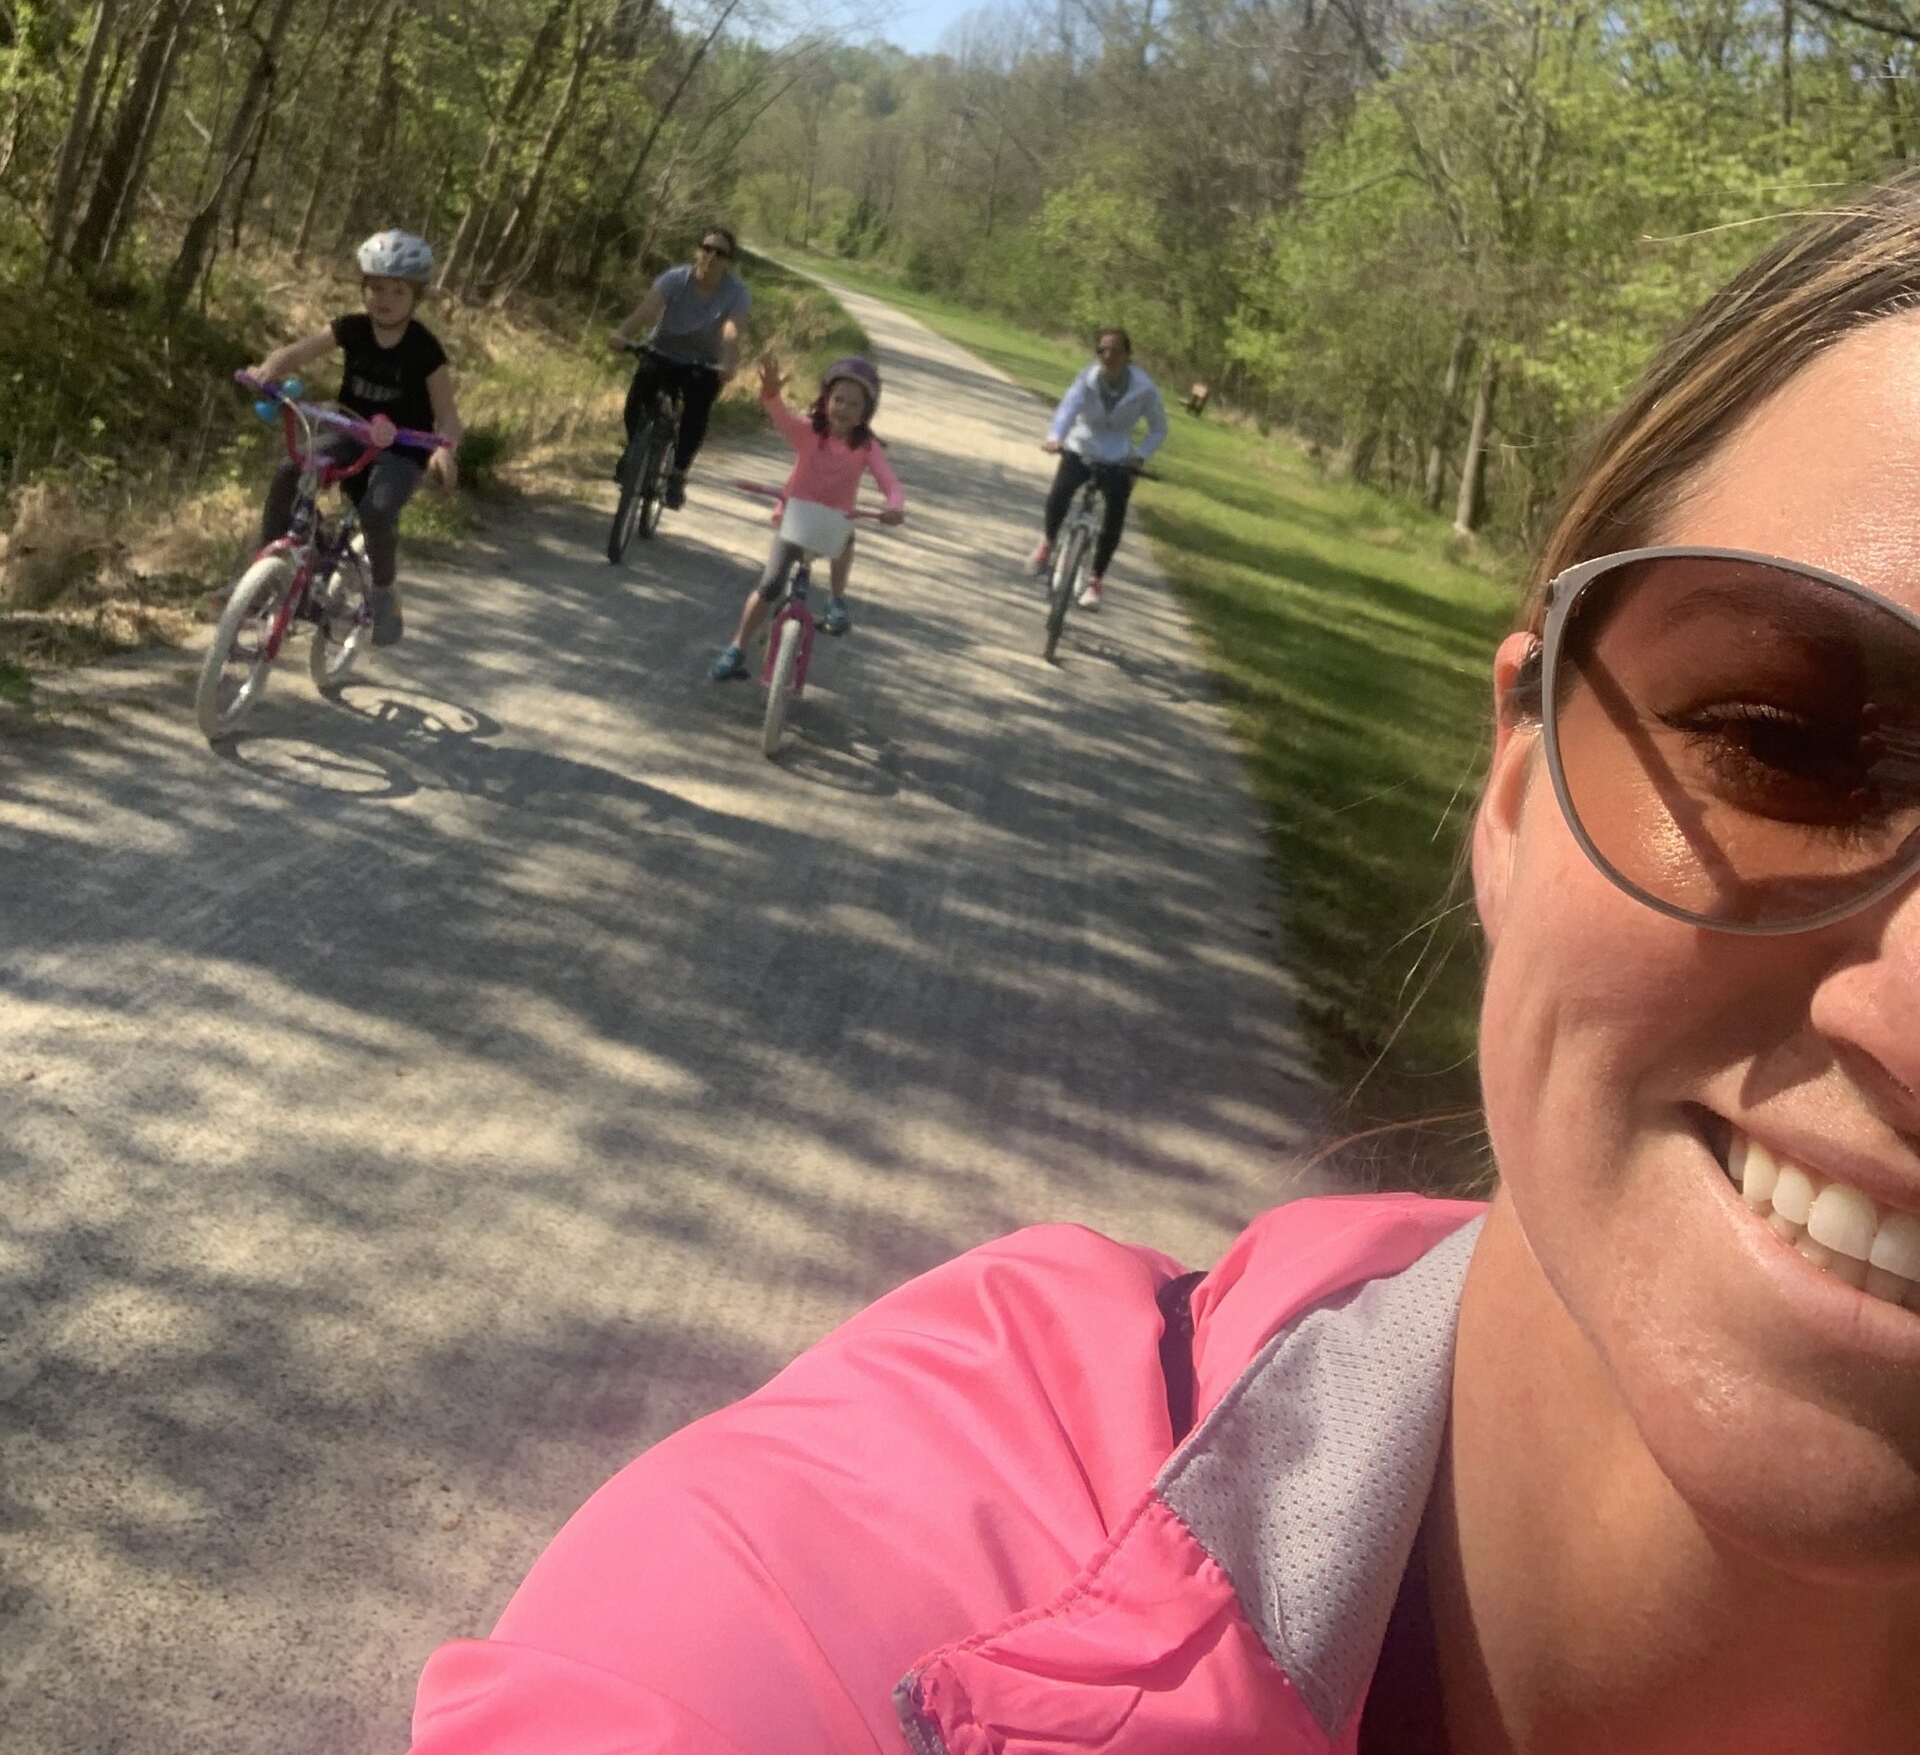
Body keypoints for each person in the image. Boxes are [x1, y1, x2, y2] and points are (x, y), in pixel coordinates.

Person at [410, 175, 1920, 1752]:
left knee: (1102, 507)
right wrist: (1066, 442)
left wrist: (1102, 462)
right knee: (1058, 486)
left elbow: (1130, 441)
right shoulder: (838, 1620)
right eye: (1788, 741)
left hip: (1048, 484)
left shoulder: (1139, 406)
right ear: (1519, 782)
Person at [243, 230, 460, 647]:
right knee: (291, 468)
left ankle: (383, 591)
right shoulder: (353, 329)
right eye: (376, 287)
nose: (384, 299)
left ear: (416, 297)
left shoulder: (425, 350)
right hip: (349, 430)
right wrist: (269, 369)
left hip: (403, 450)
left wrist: (444, 449)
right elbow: (297, 352)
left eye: (397, 291)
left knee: (377, 512)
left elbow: (448, 416)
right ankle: (266, 569)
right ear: (363, 288)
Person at [709, 351, 904, 679]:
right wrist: (771, 393)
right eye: (838, 400)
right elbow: (782, 418)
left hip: (831, 525)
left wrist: (894, 506)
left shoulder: (866, 447)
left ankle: (836, 600)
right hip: (794, 521)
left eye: (853, 404)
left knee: (847, 533)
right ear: (826, 400)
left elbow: (890, 483)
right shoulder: (810, 433)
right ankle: (737, 647)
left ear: (865, 414)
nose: (842, 408)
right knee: (770, 585)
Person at [1026, 325, 1167, 610]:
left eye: (1115, 350)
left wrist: (1139, 457)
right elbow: (1068, 408)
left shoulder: (1144, 389)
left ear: (1128, 355)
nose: (1107, 355)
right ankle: (1048, 544)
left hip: (1118, 456)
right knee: (1060, 494)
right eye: (1102, 349)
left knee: (1115, 515)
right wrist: (1055, 438)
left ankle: (1094, 580)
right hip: (1082, 445)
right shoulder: (1086, 378)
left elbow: (1158, 429)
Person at [609, 227, 750, 509]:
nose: (711, 256)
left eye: (719, 252)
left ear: (728, 261)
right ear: (697, 251)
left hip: (703, 362)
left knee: (696, 413)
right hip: (663, 350)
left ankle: (677, 472)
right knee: (636, 401)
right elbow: (647, 310)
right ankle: (633, 450)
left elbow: (732, 331)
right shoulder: (675, 279)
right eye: (706, 248)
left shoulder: (736, 293)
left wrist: (728, 362)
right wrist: (622, 334)